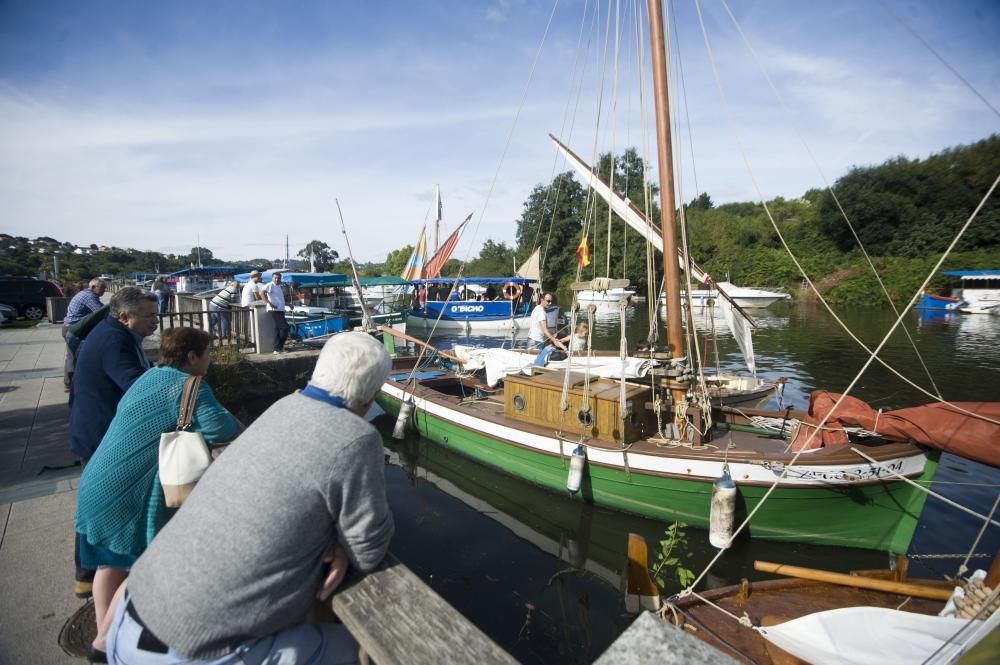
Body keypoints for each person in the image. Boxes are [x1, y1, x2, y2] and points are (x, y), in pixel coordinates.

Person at [104, 332, 394, 664]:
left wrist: (338, 538)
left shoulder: (283, 406)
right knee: (370, 649)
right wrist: (342, 541)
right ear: (372, 397)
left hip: (128, 617)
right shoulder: (357, 437)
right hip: (189, 650)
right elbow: (370, 549)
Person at [75, 327, 243, 661]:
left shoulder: (147, 379)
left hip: (96, 486)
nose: (209, 360)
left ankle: (102, 631)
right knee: (144, 569)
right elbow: (220, 428)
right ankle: (104, 644)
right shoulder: (189, 386)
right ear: (192, 356)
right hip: (129, 500)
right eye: (206, 353)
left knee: (109, 566)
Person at [68, 286, 158, 600]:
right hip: (100, 432)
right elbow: (135, 385)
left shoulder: (115, 334)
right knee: (101, 504)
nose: (155, 321)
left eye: (156, 314)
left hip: (96, 427)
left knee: (93, 502)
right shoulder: (113, 341)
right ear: (124, 317)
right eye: (148, 316)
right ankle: (93, 571)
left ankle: (88, 573)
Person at [63, 278, 107, 392]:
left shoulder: (86, 294)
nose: (104, 291)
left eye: (105, 288)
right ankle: (73, 384)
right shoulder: (89, 296)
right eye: (102, 288)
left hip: (70, 327)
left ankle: (69, 383)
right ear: (92, 287)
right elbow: (102, 311)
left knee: (71, 356)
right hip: (74, 329)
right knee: (76, 356)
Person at [260, 272, 290, 353]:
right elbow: (261, 292)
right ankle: (279, 348)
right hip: (274, 310)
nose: (277, 279)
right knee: (285, 327)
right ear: (272, 278)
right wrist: (268, 303)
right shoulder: (270, 285)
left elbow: (279, 299)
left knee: (277, 330)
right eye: (275, 278)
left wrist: (288, 304)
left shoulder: (278, 286)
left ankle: (277, 349)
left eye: (278, 278)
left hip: (280, 309)